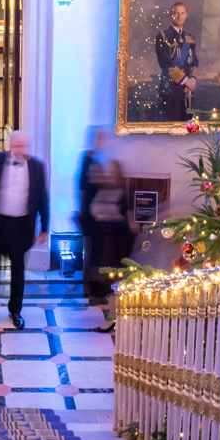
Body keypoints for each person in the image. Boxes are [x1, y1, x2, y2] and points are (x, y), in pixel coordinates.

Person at [0, 130, 49, 328]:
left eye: (23, 146)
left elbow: (43, 197)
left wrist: (45, 227)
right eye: (16, 146)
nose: (19, 150)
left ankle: (15, 310)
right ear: (10, 145)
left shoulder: (37, 166)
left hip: (21, 226)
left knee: (17, 271)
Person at [80, 137, 133, 333]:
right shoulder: (100, 190)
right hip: (106, 237)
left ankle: (112, 319)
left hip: (115, 240)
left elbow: (126, 216)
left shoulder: (115, 191)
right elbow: (84, 178)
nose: (96, 176)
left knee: (113, 281)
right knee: (108, 281)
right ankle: (111, 317)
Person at [155, 2, 198, 121]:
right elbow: (165, 64)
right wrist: (186, 80)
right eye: (176, 13)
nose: (179, 16)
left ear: (186, 15)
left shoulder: (190, 36)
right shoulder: (162, 36)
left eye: (182, 13)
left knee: (188, 127)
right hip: (170, 90)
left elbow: (194, 61)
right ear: (171, 15)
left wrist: (193, 79)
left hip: (187, 91)